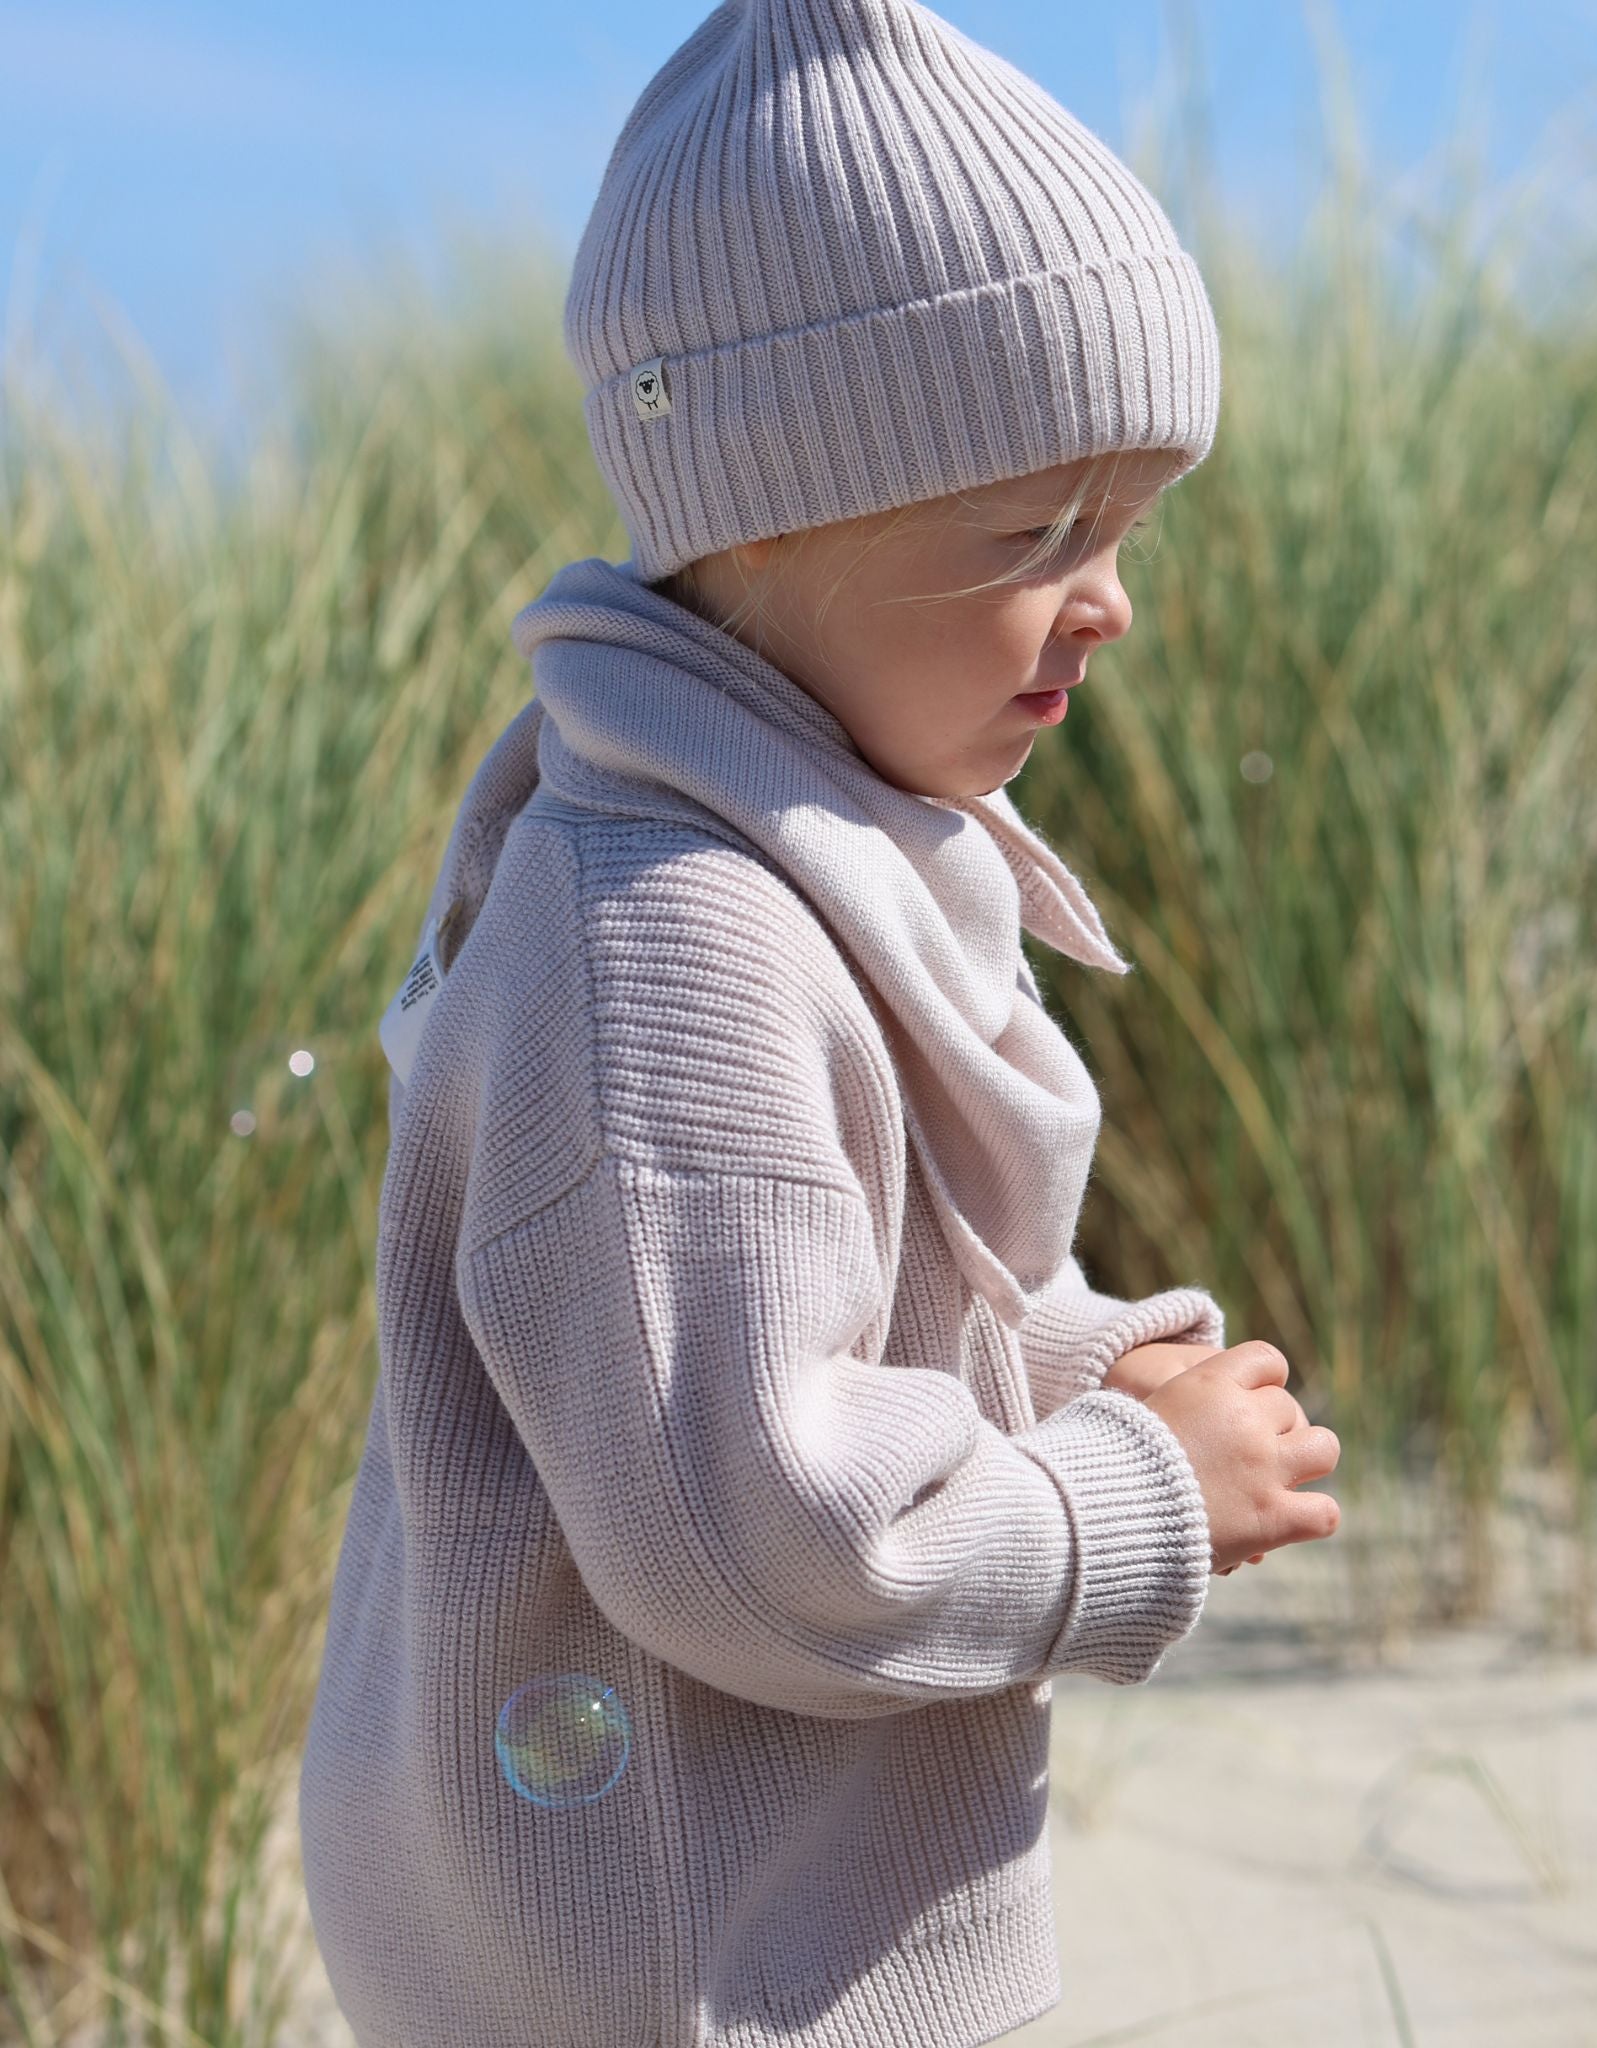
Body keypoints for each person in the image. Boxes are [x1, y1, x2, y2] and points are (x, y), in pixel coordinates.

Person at [297, 2, 1342, 2042]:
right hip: (691, 1950)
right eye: (1030, 535)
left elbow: (802, 1319)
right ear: (754, 516)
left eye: (1125, 526)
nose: (1109, 598)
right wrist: (1128, 1492)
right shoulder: (675, 938)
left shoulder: (769, 843)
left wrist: (1085, 1358)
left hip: (742, 1904)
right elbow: (753, 1522)